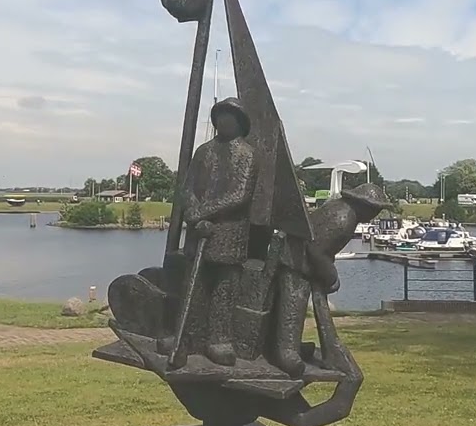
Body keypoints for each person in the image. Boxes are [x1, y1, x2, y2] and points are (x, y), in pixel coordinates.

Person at [160, 97, 257, 367]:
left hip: (229, 232)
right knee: (195, 285)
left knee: (224, 289)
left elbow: (240, 195)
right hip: (199, 231)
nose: (224, 121)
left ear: (240, 123)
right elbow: (187, 187)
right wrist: (193, 213)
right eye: (221, 115)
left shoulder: (247, 154)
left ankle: (220, 340)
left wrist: (205, 212)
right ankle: (189, 337)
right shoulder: (204, 151)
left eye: (231, 116)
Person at [271, 183, 388, 376]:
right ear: (365, 206)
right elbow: (317, 250)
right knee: (293, 303)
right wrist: (331, 275)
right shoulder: (344, 219)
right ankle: (287, 352)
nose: (375, 214)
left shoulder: (339, 208)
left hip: (298, 259)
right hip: (295, 261)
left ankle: (287, 345)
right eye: (375, 209)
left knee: (288, 303)